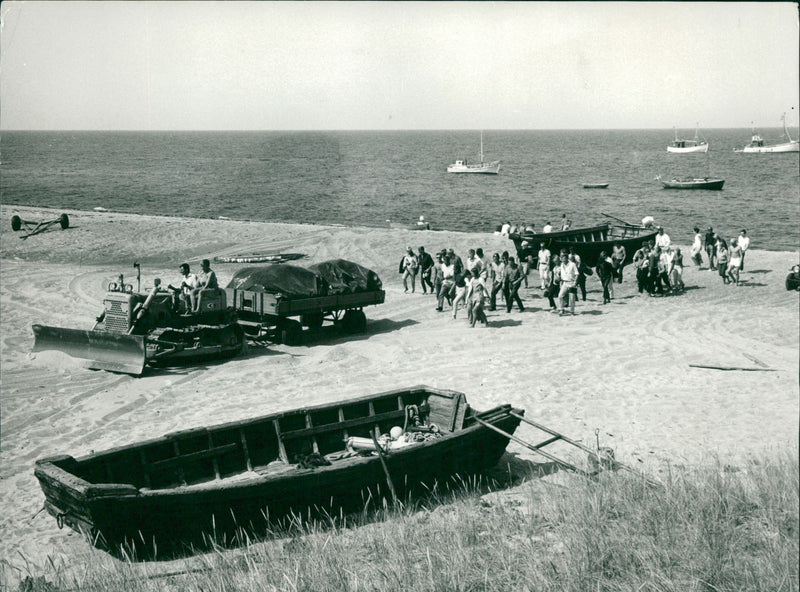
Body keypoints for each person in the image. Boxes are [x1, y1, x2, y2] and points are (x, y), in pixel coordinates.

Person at [558, 251, 579, 315]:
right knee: (560, 296)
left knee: (572, 298)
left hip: (571, 282)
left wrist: (575, 282)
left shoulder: (572, 264)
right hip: (565, 283)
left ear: (567, 258)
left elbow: (577, 274)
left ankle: (572, 311)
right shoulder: (561, 265)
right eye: (562, 259)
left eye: (564, 259)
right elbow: (561, 274)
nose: (563, 261)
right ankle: (562, 309)